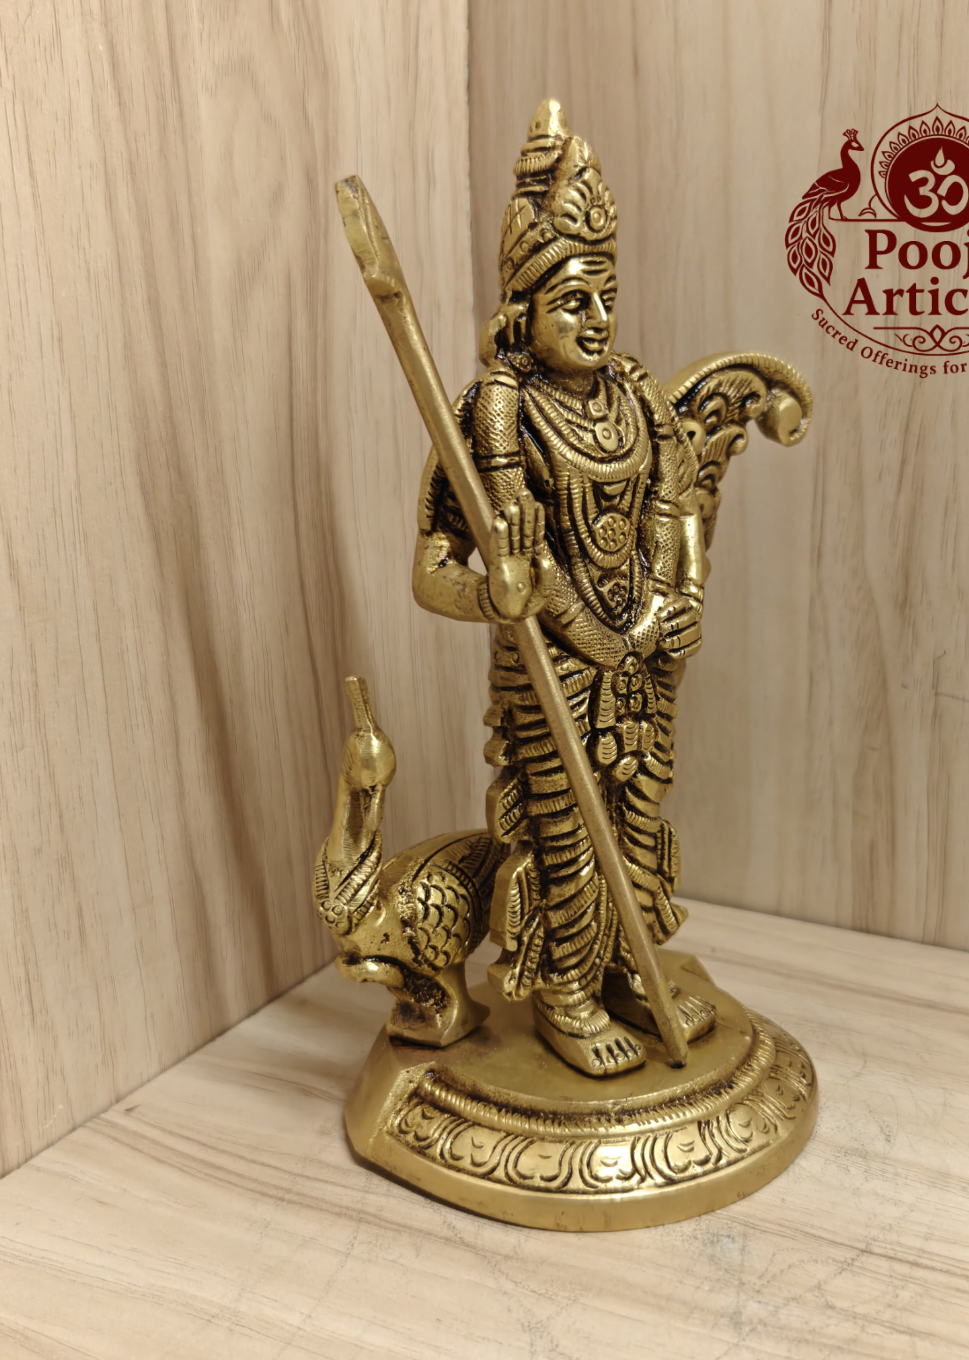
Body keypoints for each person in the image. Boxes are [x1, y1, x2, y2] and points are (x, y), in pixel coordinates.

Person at [411, 100, 715, 1077]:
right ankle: (567, 993)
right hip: (553, 668)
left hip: (643, 655)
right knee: (569, 840)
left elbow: (677, 508)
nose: (596, 319)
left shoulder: (636, 397)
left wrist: (678, 596)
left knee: (637, 821)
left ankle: (630, 969)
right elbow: (431, 571)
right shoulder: (491, 416)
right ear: (523, 312)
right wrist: (490, 596)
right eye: (572, 301)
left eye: (604, 297)